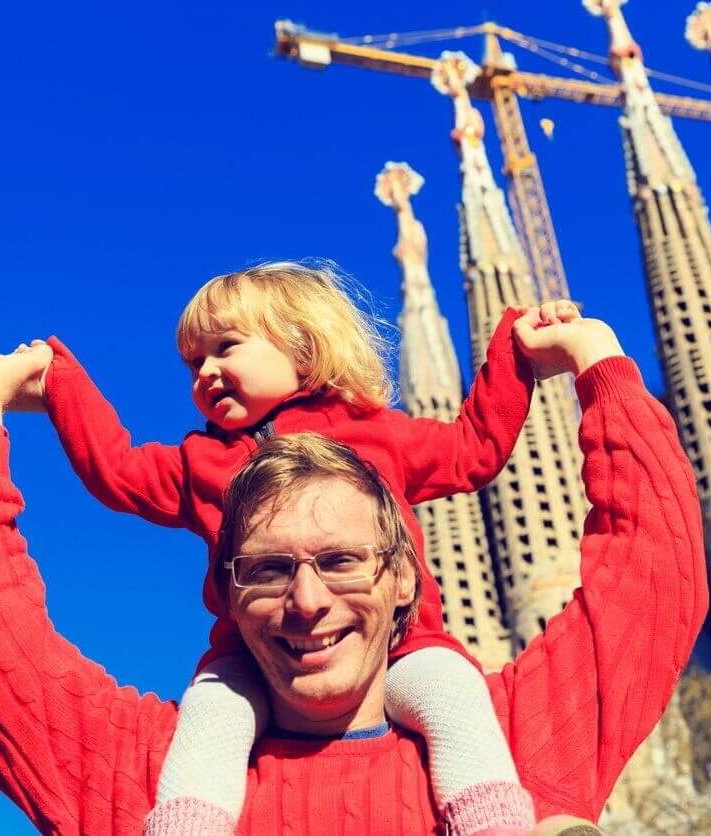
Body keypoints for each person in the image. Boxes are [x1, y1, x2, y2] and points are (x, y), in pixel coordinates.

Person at [0, 305, 708, 834]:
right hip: (210, 749)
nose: (306, 600)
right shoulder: (157, 779)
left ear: (404, 576)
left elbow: (652, 573)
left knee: (451, 689)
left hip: (451, 702)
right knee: (217, 705)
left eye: (341, 561)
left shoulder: (518, 747)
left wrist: (589, 362)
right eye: (264, 570)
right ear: (227, 589)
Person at [30, 262, 541, 833]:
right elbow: (118, 471)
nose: (207, 371)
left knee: (455, 696)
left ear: (302, 346)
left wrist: (517, 350)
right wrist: (62, 385)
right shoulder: (202, 462)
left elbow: (473, 447)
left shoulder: (375, 433)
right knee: (210, 715)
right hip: (254, 663)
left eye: (225, 347)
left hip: (403, 646)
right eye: (194, 362)